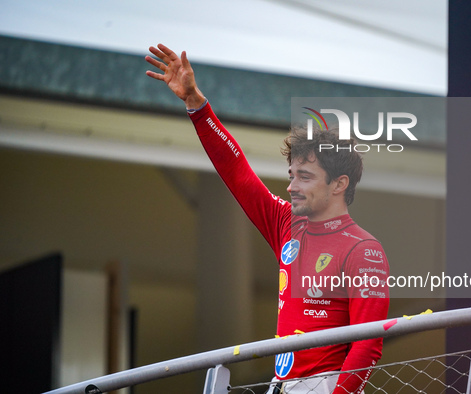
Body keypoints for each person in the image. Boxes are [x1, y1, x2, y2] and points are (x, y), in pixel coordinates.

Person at [145, 44, 390, 394]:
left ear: (339, 184)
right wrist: (196, 104)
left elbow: (367, 346)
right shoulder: (285, 222)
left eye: (305, 177)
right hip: (281, 386)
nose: (291, 186)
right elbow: (237, 172)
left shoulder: (365, 250)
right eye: (291, 174)